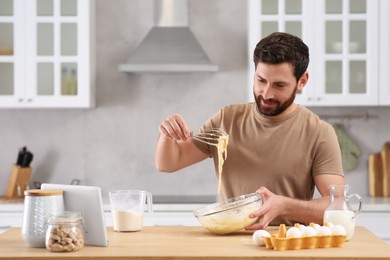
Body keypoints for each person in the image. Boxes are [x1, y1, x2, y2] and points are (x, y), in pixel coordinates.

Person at [155, 32, 344, 229]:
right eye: (261, 80)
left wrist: (284, 206)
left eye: (279, 85)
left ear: (302, 81)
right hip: (230, 245)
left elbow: (338, 206)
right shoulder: (227, 119)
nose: (267, 93)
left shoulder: (319, 132)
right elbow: (168, 163)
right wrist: (167, 134)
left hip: (286, 246)